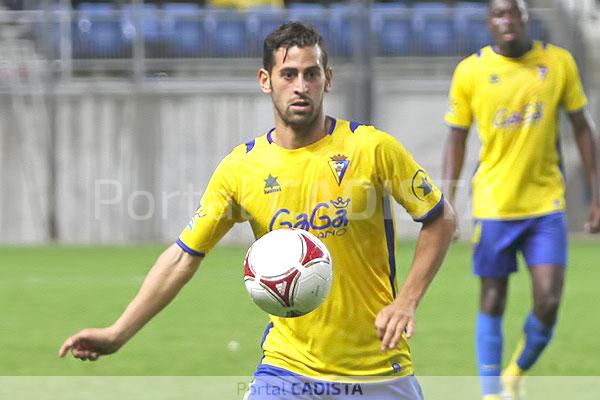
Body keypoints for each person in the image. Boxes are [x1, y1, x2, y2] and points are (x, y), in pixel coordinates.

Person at [59, 22, 456, 399]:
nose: (300, 86)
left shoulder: (371, 148)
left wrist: (406, 301)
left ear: (328, 80)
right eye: (288, 74)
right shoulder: (241, 169)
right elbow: (183, 256)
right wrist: (118, 333)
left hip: (379, 370)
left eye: (311, 74)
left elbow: (440, 219)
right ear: (265, 81)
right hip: (287, 370)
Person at [443, 0, 600, 399]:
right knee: (492, 298)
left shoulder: (558, 63)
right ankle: (491, 392)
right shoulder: (471, 71)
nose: (507, 20)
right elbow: (456, 137)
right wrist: (448, 199)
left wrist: (595, 194)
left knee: (548, 301)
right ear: (489, 23)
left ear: (526, 19)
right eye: (499, 14)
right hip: (494, 205)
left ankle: (516, 369)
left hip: (546, 204)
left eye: (514, 13)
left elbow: (582, 127)